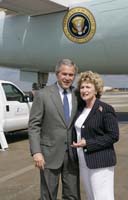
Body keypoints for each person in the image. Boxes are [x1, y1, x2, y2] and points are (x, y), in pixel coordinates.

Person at [28, 59, 81, 200]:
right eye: (64, 74)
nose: (67, 78)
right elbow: (34, 125)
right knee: (48, 195)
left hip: (72, 154)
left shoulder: (78, 95)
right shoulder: (43, 94)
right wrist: (36, 152)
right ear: (57, 74)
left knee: (72, 195)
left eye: (71, 75)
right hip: (48, 154)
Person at [71, 71, 119, 200]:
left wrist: (88, 143)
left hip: (100, 161)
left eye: (88, 87)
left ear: (96, 90)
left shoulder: (105, 109)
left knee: (102, 196)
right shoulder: (80, 110)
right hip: (83, 160)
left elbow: (113, 135)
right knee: (91, 196)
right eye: (82, 87)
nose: (84, 90)